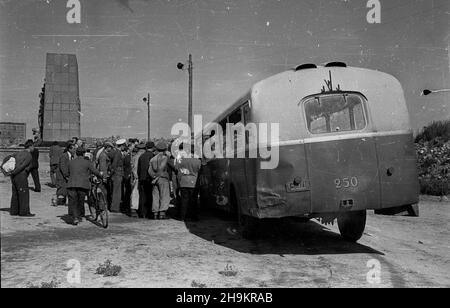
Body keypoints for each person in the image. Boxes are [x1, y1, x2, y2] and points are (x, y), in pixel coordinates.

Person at [66, 148, 103, 225]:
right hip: (82, 185)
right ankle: (79, 215)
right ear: (83, 154)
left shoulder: (71, 162)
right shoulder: (87, 162)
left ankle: (75, 217)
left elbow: (67, 173)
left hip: (71, 184)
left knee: (73, 201)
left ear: (76, 153)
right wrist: (101, 175)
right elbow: (94, 171)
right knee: (80, 201)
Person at [3, 140, 35, 217]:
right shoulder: (28, 155)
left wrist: (9, 172)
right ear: (30, 146)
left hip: (13, 176)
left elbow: (7, 158)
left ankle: (14, 211)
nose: (34, 148)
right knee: (24, 193)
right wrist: (15, 172)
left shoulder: (18, 153)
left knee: (15, 193)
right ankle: (24, 212)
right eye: (33, 146)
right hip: (20, 175)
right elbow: (22, 166)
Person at [174, 144, 202, 221]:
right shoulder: (198, 161)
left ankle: (183, 216)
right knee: (194, 200)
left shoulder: (182, 161)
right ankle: (193, 216)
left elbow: (178, 170)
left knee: (184, 200)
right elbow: (200, 171)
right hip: (194, 182)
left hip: (184, 181)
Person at [149, 141, 171, 220]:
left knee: (155, 196)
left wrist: (154, 177)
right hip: (163, 178)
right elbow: (165, 168)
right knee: (164, 196)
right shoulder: (165, 158)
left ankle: (155, 213)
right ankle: (162, 213)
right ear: (165, 149)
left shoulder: (152, 159)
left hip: (154, 180)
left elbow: (149, 171)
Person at [137, 141, 155, 218]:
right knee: (150, 196)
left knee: (142, 196)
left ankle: (142, 213)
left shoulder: (141, 156)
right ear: (153, 148)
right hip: (150, 178)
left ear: (146, 148)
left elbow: (138, 169)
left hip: (142, 178)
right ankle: (149, 213)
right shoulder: (153, 156)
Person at [56, 142, 76, 206]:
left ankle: (63, 201)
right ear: (69, 149)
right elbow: (63, 166)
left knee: (65, 188)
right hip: (62, 175)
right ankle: (60, 201)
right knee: (61, 188)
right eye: (74, 149)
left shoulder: (71, 156)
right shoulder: (64, 156)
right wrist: (66, 175)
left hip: (66, 175)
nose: (75, 150)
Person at [109, 139, 126, 213]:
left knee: (115, 190)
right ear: (121, 146)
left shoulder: (115, 151)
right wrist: (113, 172)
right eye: (124, 146)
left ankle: (114, 206)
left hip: (116, 173)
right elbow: (114, 164)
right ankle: (115, 208)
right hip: (117, 173)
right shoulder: (118, 153)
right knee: (117, 191)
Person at [130, 143, 146, 216]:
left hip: (134, 177)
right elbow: (136, 168)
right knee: (136, 193)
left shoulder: (134, 156)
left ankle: (134, 209)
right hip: (138, 177)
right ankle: (134, 209)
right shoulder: (141, 156)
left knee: (134, 193)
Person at [121, 145, 132, 214]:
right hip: (129, 175)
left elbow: (124, 166)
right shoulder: (130, 157)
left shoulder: (126, 158)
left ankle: (125, 206)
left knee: (126, 191)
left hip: (126, 175)